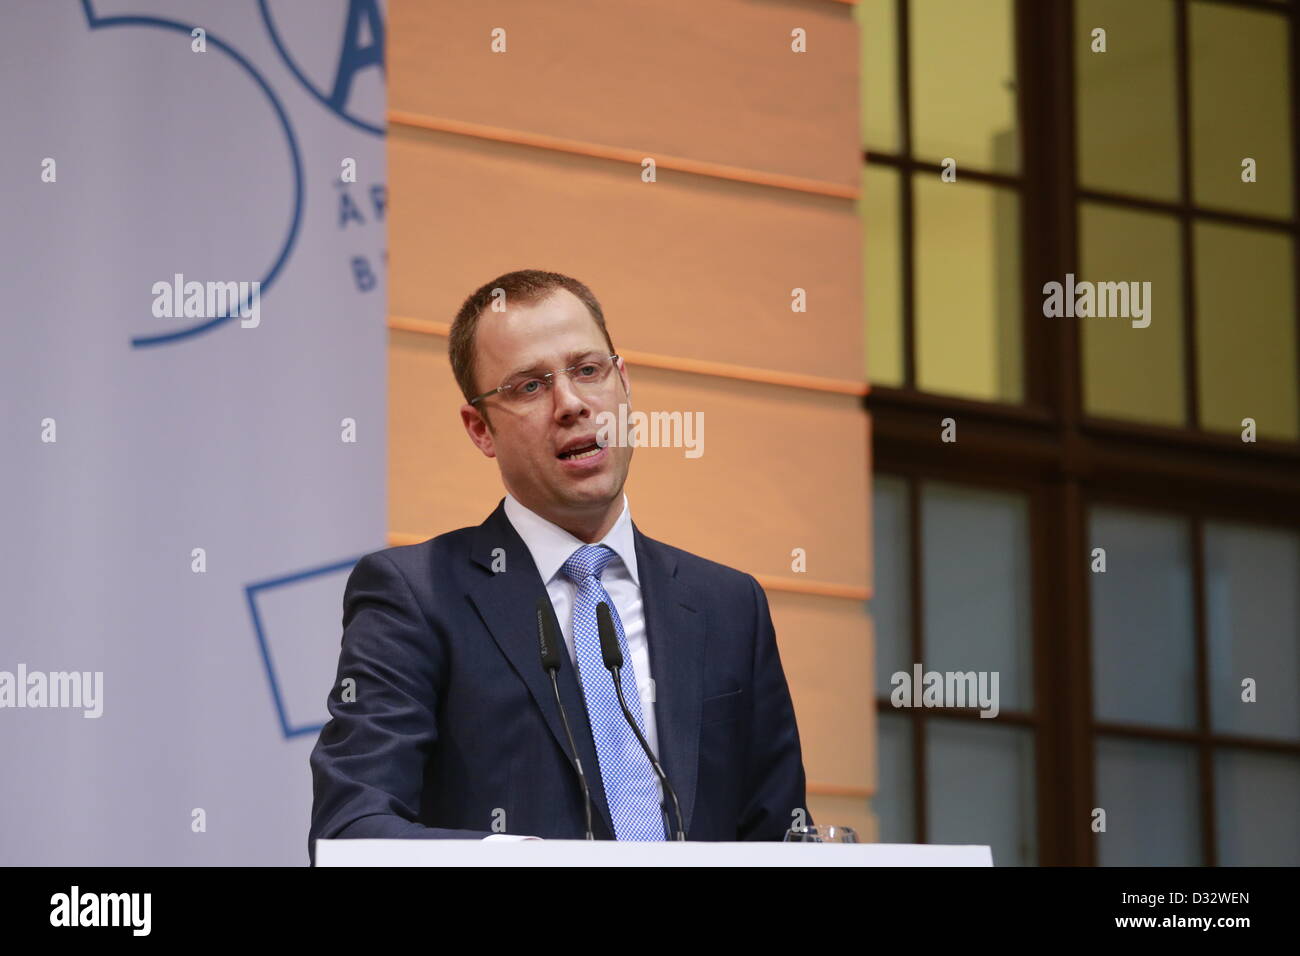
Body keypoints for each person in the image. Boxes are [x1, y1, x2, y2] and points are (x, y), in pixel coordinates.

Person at [308, 270, 810, 863]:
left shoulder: (730, 604)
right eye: (528, 387)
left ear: (624, 384)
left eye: (588, 370)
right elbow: (352, 830)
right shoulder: (416, 596)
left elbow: (783, 839)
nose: (571, 404)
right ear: (480, 430)